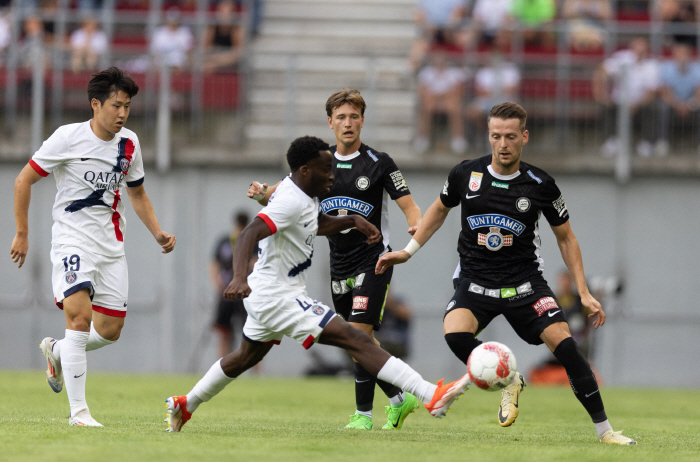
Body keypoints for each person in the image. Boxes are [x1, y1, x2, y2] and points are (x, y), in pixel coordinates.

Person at [164, 136, 468, 432]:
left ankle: (185, 404)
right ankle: (430, 395)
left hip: (273, 295)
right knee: (356, 339)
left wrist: (351, 220)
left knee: (245, 356)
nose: (332, 176)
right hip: (278, 296)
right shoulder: (288, 201)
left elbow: (317, 223)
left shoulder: (305, 196)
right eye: (326, 170)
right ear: (306, 170)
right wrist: (239, 277)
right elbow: (248, 234)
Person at [376, 102, 637, 445]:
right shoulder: (465, 174)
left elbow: (566, 238)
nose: (503, 144)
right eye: (496, 136)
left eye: (510, 136)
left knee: (568, 349)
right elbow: (439, 210)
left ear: (524, 137)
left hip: (525, 284)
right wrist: (408, 253)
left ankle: (605, 432)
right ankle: (510, 378)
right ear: (489, 135)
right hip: (475, 280)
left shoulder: (540, 184)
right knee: (455, 334)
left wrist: (584, 292)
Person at [248, 89, 423, 431]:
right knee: (354, 340)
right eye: (341, 117)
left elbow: (409, 203)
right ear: (330, 122)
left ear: (362, 120)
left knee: (357, 332)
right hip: (337, 262)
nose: (347, 123)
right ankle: (401, 398)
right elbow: (282, 194)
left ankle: (363, 415)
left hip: (374, 260)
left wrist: (414, 222)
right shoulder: (318, 161)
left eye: (354, 116)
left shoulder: (379, 163)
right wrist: (262, 194)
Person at [10, 67, 177, 427]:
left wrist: (158, 232)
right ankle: (79, 413)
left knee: (110, 331)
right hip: (72, 240)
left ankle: (57, 350)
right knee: (79, 318)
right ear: (95, 104)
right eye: (116, 105)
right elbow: (23, 180)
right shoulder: (67, 138)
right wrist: (22, 233)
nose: (122, 113)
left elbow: (138, 193)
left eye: (128, 106)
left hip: (111, 248)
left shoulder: (129, 143)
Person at [593, 36, 661, 157]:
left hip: (639, 104)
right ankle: (612, 140)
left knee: (652, 108)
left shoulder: (652, 65)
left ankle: (646, 142)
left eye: (643, 47)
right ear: (632, 48)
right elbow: (602, 72)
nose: (640, 50)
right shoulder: (621, 58)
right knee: (606, 107)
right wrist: (602, 94)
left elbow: (651, 91)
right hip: (618, 102)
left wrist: (636, 104)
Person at [209, 211, 257, 359]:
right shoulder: (225, 241)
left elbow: (257, 263)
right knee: (224, 331)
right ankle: (222, 364)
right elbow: (214, 264)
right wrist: (217, 283)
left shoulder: (253, 241)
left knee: (252, 332)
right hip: (226, 293)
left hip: (245, 294)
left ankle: (255, 371)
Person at [414, 51, 468, 154]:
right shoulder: (426, 72)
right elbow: (423, 92)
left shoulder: (454, 73)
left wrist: (440, 96)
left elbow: (459, 91)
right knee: (426, 107)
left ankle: (457, 139)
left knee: (455, 107)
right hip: (432, 101)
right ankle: (423, 138)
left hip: (448, 101)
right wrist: (440, 97)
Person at [657, 40, 700, 155]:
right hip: (673, 104)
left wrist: (690, 105)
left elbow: (698, 92)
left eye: (684, 54)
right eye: (679, 54)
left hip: (691, 104)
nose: (682, 58)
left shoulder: (697, 68)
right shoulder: (667, 67)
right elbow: (665, 92)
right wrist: (678, 105)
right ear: (674, 56)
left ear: (689, 56)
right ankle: (662, 142)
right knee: (662, 108)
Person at [202, 0, 246, 72]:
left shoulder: (237, 29)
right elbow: (204, 49)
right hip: (213, 59)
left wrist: (215, 63)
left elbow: (238, 54)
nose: (225, 14)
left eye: (228, 11)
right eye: (222, 11)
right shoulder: (212, 27)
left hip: (229, 65)